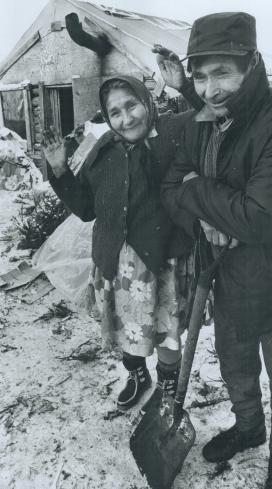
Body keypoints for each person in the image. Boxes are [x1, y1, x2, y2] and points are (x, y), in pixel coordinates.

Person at [156, 12, 272, 489]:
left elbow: (259, 218)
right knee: (235, 365)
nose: (211, 88)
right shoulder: (198, 123)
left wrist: (200, 190)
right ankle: (249, 428)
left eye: (223, 72)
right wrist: (207, 219)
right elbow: (172, 188)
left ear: (252, 64)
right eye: (201, 76)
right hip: (227, 275)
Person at [42, 75, 195, 412]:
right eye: (115, 113)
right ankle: (137, 375)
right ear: (107, 118)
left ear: (147, 102)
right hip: (118, 263)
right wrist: (60, 170)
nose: (126, 119)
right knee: (128, 329)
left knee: (166, 333)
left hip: (162, 261)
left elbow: (207, 115)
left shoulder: (171, 133)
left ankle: (168, 387)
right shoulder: (103, 150)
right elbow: (84, 209)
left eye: (131, 105)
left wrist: (184, 86)